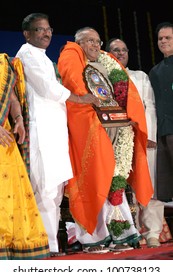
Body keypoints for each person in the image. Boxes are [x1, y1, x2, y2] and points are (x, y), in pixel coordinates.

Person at [57, 26, 154, 252]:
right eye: (89, 41)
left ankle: (121, 231)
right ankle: (95, 235)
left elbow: (122, 91)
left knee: (115, 177)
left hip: (116, 126)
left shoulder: (107, 63)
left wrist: (126, 114)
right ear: (78, 43)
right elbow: (76, 88)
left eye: (97, 41)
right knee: (97, 175)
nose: (94, 45)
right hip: (91, 128)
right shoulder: (74, 59)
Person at [15, 13, 99, 257]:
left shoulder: (41, 57)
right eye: (39, 30)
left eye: (48, 29)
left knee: (55, 191)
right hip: (42, 132)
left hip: (55, 132)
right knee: (44, 189)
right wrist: (81, 98)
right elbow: (48, 89)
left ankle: (51, 245)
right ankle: (43, 246)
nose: (46, 33)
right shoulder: (27, 54)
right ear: (27, 34)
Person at [106, 38, 165, 248]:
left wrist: (149, 134)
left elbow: (150, 106)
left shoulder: (140, 77)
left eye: (123, 50)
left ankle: (152, 233)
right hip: (113, 140)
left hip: (141, 139)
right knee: (117, 187)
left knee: (148, 185)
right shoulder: (101, 77)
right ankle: (124, 233)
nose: (120, 53)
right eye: (115, 50)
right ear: (108, 54)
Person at [0, 53, 50, 259]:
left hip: (6, 137)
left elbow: (11, 96)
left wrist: (18, 118)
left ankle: (13, 247)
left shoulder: (3, 63)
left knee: (11, 192)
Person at [149, 22, 173, 203]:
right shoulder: (154, 72)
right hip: (163, 133)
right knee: (166, 189)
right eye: (160, 38)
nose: (163, 41)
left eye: (168, 38)